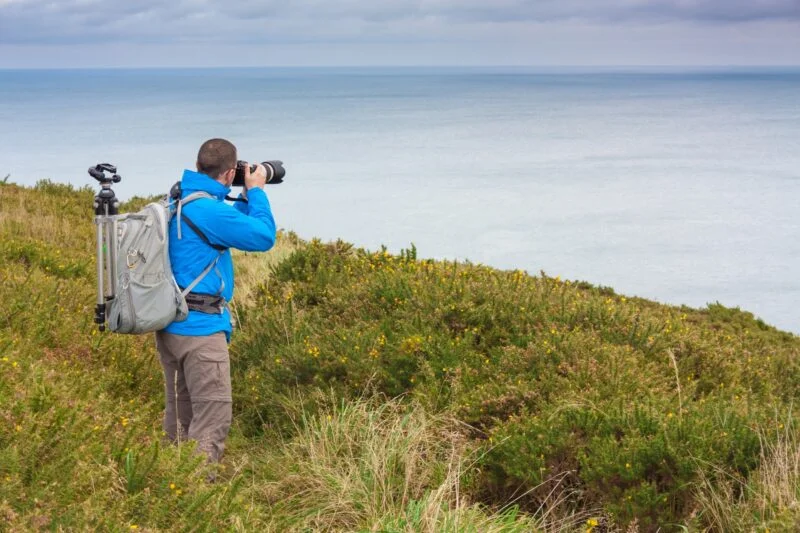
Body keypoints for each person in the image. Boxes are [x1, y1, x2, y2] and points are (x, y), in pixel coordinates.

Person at [155, 138, 276, 465]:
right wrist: (259, 191)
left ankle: (170, 487)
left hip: (172, 325)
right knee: (211, 420)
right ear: (230, 172)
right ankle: (197, 501)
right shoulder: (207, 209)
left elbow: (221, 225)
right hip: (200, 333)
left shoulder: (180, 198)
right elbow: (264, 236)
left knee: (180, 417)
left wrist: (245, 198)